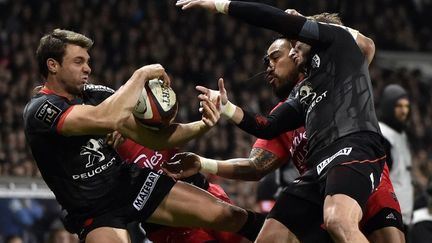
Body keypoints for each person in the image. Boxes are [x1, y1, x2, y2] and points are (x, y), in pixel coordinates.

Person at [174, 1, 391, 242]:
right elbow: (268, 126)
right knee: (271, 235)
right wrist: (226, 107)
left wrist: (221, 5)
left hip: (354, 145)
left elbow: (274, 19)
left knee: (338, 221)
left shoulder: (337, 42)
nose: (293, 51)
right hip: (319, 168)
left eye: (296, 44)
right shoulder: (306, 89)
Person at [23, 29, 265, 243]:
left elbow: (155, 139)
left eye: (87, 61)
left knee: (229, 215)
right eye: (78, 61)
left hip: (129, 183)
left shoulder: (95, 95)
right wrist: (141, 75)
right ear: (52, 65)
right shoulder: (42, 109)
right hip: (92, 210)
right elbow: (104, 119)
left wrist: (202, 125)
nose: (88, 68)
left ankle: (289, 233)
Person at [379, 84, 414, 230]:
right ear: (388, 106)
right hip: (388, 216)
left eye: (406, 106)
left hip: (403, 216)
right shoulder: (383, 135)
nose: (404, 111)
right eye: (399, 106)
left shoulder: (401, 135)